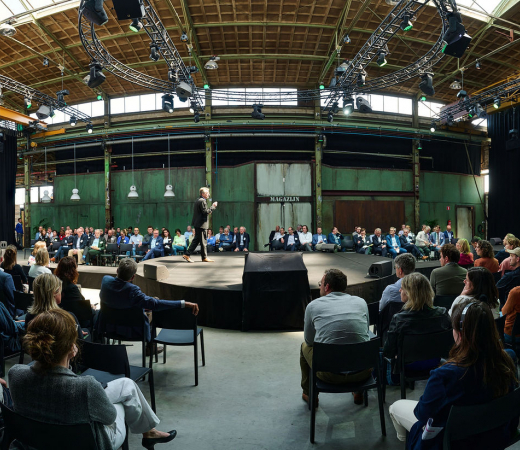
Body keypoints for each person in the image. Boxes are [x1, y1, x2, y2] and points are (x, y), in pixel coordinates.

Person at [10, 309, 177, 450]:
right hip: (88, 444)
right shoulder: (86, 387)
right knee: (122, 401)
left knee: (127, 385)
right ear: (71, 348)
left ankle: (150, 432)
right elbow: (109, 418)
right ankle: (149, 433)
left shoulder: (15, 374)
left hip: (37, 441)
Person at [389, 299, 518, 449]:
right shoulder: (508, 359)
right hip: (495, 437)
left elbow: (422, 414)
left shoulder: (445, 376)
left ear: (460, 334)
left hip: (454, 443)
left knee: (395, 407)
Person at [300, 269, 372, 406]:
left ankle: (310, 394)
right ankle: (358, 392)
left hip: (329, 374)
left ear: (327, 286)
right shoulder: (361, 302)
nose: (320, 286)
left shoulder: (313, 306)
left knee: (304, 346)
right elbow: (366, 331)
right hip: (362, 372)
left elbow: (309, 341)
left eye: (321, 284)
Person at [100, 259, 199, 346]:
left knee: (148, 303)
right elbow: (156, 304)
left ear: (117, 270)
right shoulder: (133, 291)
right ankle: (151, 347)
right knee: (152, 309)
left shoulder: (105, 281)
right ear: (133, 277)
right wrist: (183, 303)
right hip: (131, 329)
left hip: (108, 326)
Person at [383, 272, 452, 377]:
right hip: (435, 363)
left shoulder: (399, 319)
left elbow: (388, 352)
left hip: (407, 368)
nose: (399, 290)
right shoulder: (443, 314)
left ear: (409, 293)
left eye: (402, 288)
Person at [24, 273, 84, 340]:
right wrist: (77, 332)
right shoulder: (68, 317)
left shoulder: (30, 316)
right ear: (56, 293)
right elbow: (80, 341)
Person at [183, 187, 218, 263]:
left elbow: (202, 212)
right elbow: (205, 212)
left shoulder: (198, 200)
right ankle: (204, 257)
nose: (208, 194)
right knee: (203, 241)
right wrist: (213, 206)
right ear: (203, 194)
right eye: (207, 193)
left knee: (196, 240)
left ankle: (187, 254)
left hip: (198, 224)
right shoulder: (202, 201)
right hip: (202, 224)